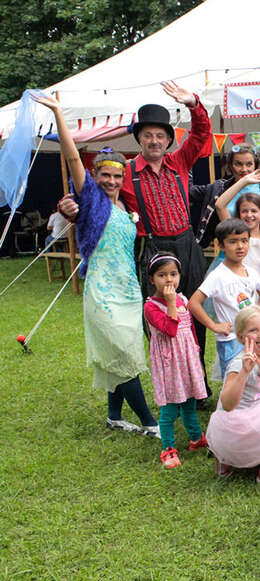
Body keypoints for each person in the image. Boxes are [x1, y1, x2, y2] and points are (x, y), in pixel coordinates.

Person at [37, 94, 158, 437]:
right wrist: (60, 114)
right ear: (94, 176)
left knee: (119, 352)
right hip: (102, 293)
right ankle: (150, 422)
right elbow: (72, 155)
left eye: (116, 177)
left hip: (128, 290)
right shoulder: (90, 201)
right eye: (104, 176)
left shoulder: (124, 209)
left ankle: (114, 415)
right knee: (123, 354)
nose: (111, 182)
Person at [120, 81, 213, 399]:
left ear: (169, 140)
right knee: (162, 321)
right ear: (139, 139)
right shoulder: (127, 172)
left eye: (160, 135)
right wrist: (74, 206)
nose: (154, 140)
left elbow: (201, 135)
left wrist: (193, 104)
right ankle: (173, 386)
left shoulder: (179, 162)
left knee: (195, 316)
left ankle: (197, 385)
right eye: (148, 135)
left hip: (187, 246)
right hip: (155, 250)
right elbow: (100, 199)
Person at [214, 172, 260, 382]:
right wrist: (244, 181)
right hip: (242, 290)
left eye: (254, 211)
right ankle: (245, 379)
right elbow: (220, 205)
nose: (249, 215)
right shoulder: (236, 234)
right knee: (245, 333)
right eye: (244, 211)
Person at [208, 306, 260, 483]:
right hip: (232, 429)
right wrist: (245, 372)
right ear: (240, 337)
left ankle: (229, 461)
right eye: (253, 330)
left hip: (249, 423)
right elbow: (228, 405)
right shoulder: (239, 364)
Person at [143, 253, 209, 469]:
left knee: (190, 402)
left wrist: (196, 350)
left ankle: (196, 438)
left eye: (173, 274)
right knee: (170, 409)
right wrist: (171, 303)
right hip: (169, 363)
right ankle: (168, 448)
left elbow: (190, 328)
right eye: (162, 275)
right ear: (152, 279)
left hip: (187, 359)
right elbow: (170, 330)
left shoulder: (183, 299)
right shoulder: (151, 306)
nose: (169, 280)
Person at [188, 218, 260, 378]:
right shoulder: (217, 276)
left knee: (255, 376)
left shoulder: (251, 272)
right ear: (221, 245)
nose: (240, 246)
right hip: (231, 340)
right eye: (233, 242)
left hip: (252, 336)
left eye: (244, 241)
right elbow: (193, 303)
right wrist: (214, 326)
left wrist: (259, 316)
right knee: (234, 376)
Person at [190, 143, 260, 248]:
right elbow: (190, 192)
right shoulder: (219, 188)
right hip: (231, 249)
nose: (244, 169)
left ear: (255, 165)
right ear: (230, 165)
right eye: (238, 164)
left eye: (249, 164)